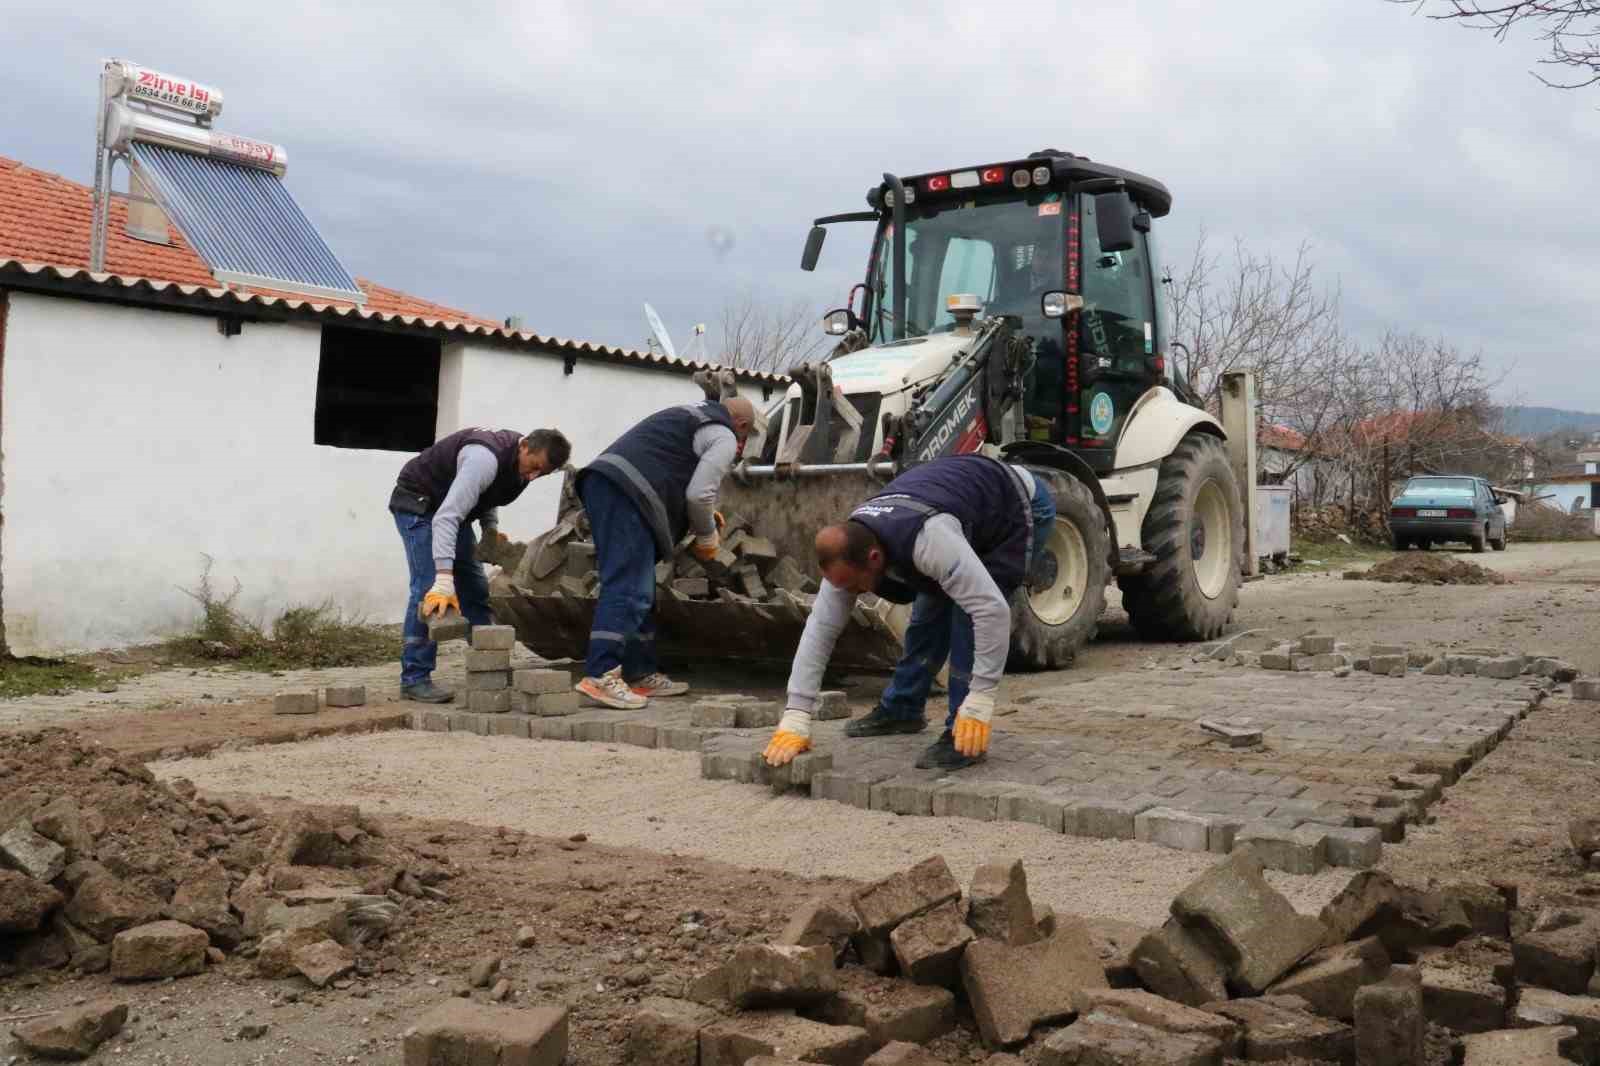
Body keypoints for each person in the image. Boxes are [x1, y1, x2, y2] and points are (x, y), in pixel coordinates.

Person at [763, 452, 1056, 771]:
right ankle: (902, 710)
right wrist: (796, 714)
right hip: (960, 506)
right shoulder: (849, 550)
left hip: (1016, 506)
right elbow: (820, 629)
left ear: (874, 559)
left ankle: (964, 730)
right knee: (928, 613)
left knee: (967, 617)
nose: (849, 594)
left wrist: (982, 697)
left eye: (852, 585)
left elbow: (990, 610)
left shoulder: (928, 541)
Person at [574, 396, 762, 709]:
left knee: (641, 586)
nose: (740, 444)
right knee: (627, 586)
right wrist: (706, 535)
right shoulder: (725, 435)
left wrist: (701, 512)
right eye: (744, 437)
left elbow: (672, 468)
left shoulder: (688, 415)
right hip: (625, 494)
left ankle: (639, 671)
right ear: (741, 426)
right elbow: (700, 494)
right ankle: (600, 674)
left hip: (610, 484)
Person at [392, 427, 571, 702]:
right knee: (429, 588)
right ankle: (414, 679)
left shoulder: (521, 468)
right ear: (524, 447)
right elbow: (446, 518)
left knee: (475, 588)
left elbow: (490, 493)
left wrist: (490, 529)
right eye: (534, 467)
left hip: (451, 511)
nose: (533, 476)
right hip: (420, 503)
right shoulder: (483, 459)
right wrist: (443, 577)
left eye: (542, 474)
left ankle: (490, 667)